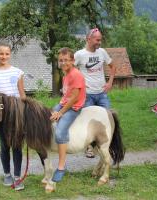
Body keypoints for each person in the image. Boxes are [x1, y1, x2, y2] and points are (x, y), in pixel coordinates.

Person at [0, 41, 26, 191]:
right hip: (0, 115)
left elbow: (22, 95)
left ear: (10, 54)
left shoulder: (17, 72)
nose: (4, 56)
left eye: (7, 53)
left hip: (17, 114)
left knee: (17, 146)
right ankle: (7, 174)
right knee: (5, 145)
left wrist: (25, 111)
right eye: (1, 53)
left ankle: (17, 177)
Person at [74, 28, 116, 158]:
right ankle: (89, 148)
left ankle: (107, 145)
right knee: (88, 121)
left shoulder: (102, 52)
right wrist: (78, 85)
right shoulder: (79, 54)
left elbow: (113, 66)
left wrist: (110, 83)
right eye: (97, 40)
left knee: (109, 119)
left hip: (102, 93)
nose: (99, 42)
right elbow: (70, 71)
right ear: (89, 39)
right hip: (87, 95)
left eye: (100, 39)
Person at [50, 47, 86, 182]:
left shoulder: (76, 75)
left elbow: (75, 98)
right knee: (47, 117)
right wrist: (57, 109)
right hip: (64, 103)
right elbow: (66, 95)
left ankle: (61, 167)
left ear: (72, 61)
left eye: (66, 60)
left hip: (74, 107)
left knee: (60, 132)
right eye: (60, 60)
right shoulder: (66, 74)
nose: (63, 63)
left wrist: (60, 113)